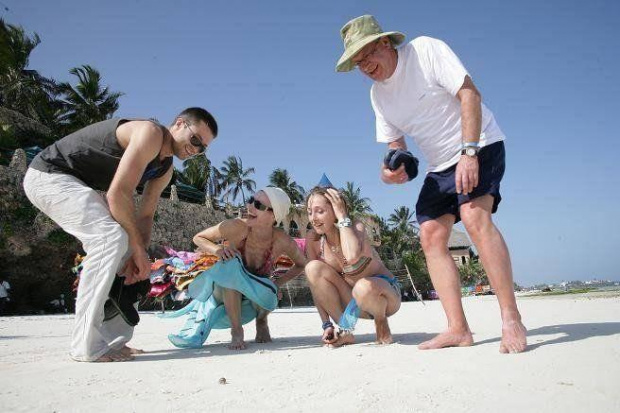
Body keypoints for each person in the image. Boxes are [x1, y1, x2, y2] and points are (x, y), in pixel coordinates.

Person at [335, 15, 526, 353]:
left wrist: (469, 152)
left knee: (473, 217)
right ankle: (458, 329)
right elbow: (397, 148)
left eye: (367, 54)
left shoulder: (424, 51)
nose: (365, 65)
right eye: (357, 61)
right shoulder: (378, 96)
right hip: (440, 166)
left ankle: (511, 318)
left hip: (479, 142)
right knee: (430, 234)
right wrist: (391, 172)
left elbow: (469, 94)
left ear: (384, 43)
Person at [23, 107, 218, 362]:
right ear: (179, 124)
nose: (195, 150)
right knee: (110, 238)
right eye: (195, 140)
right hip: (49, 176)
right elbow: (118, 193)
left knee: (132, 259)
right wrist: (135, 248)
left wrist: (139, 256)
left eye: (202, 148)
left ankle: (114, 340)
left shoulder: (165, 170)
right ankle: (86, 344)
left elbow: (145, 216)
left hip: (79, 187)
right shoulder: (149, 133)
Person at [191, 187, 307, 350]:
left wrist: (278, 282)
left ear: (273, 216)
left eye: (258, 205)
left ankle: (261, 321)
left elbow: (302, 264)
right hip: (224, 291)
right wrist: (218, 251)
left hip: (255, 293)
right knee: (231, 267)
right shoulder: (236, 227)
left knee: (271, 288)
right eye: (251, 200)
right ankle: (237, 331)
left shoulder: (282, 240)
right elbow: (198, 238)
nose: (250, 207)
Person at [304, 183, 401, 347]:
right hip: (353, 301)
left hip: (384, 297)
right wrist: (326, 324)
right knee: (312, 268)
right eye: (309, 212)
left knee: (362, 287)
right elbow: (315, 286)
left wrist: (342, 217)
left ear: (336, 210)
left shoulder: (356, 227)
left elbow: (352, 256)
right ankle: (345, 330)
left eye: (320, 211)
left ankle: (381, 321)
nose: (313, 218)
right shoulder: (313, 240)